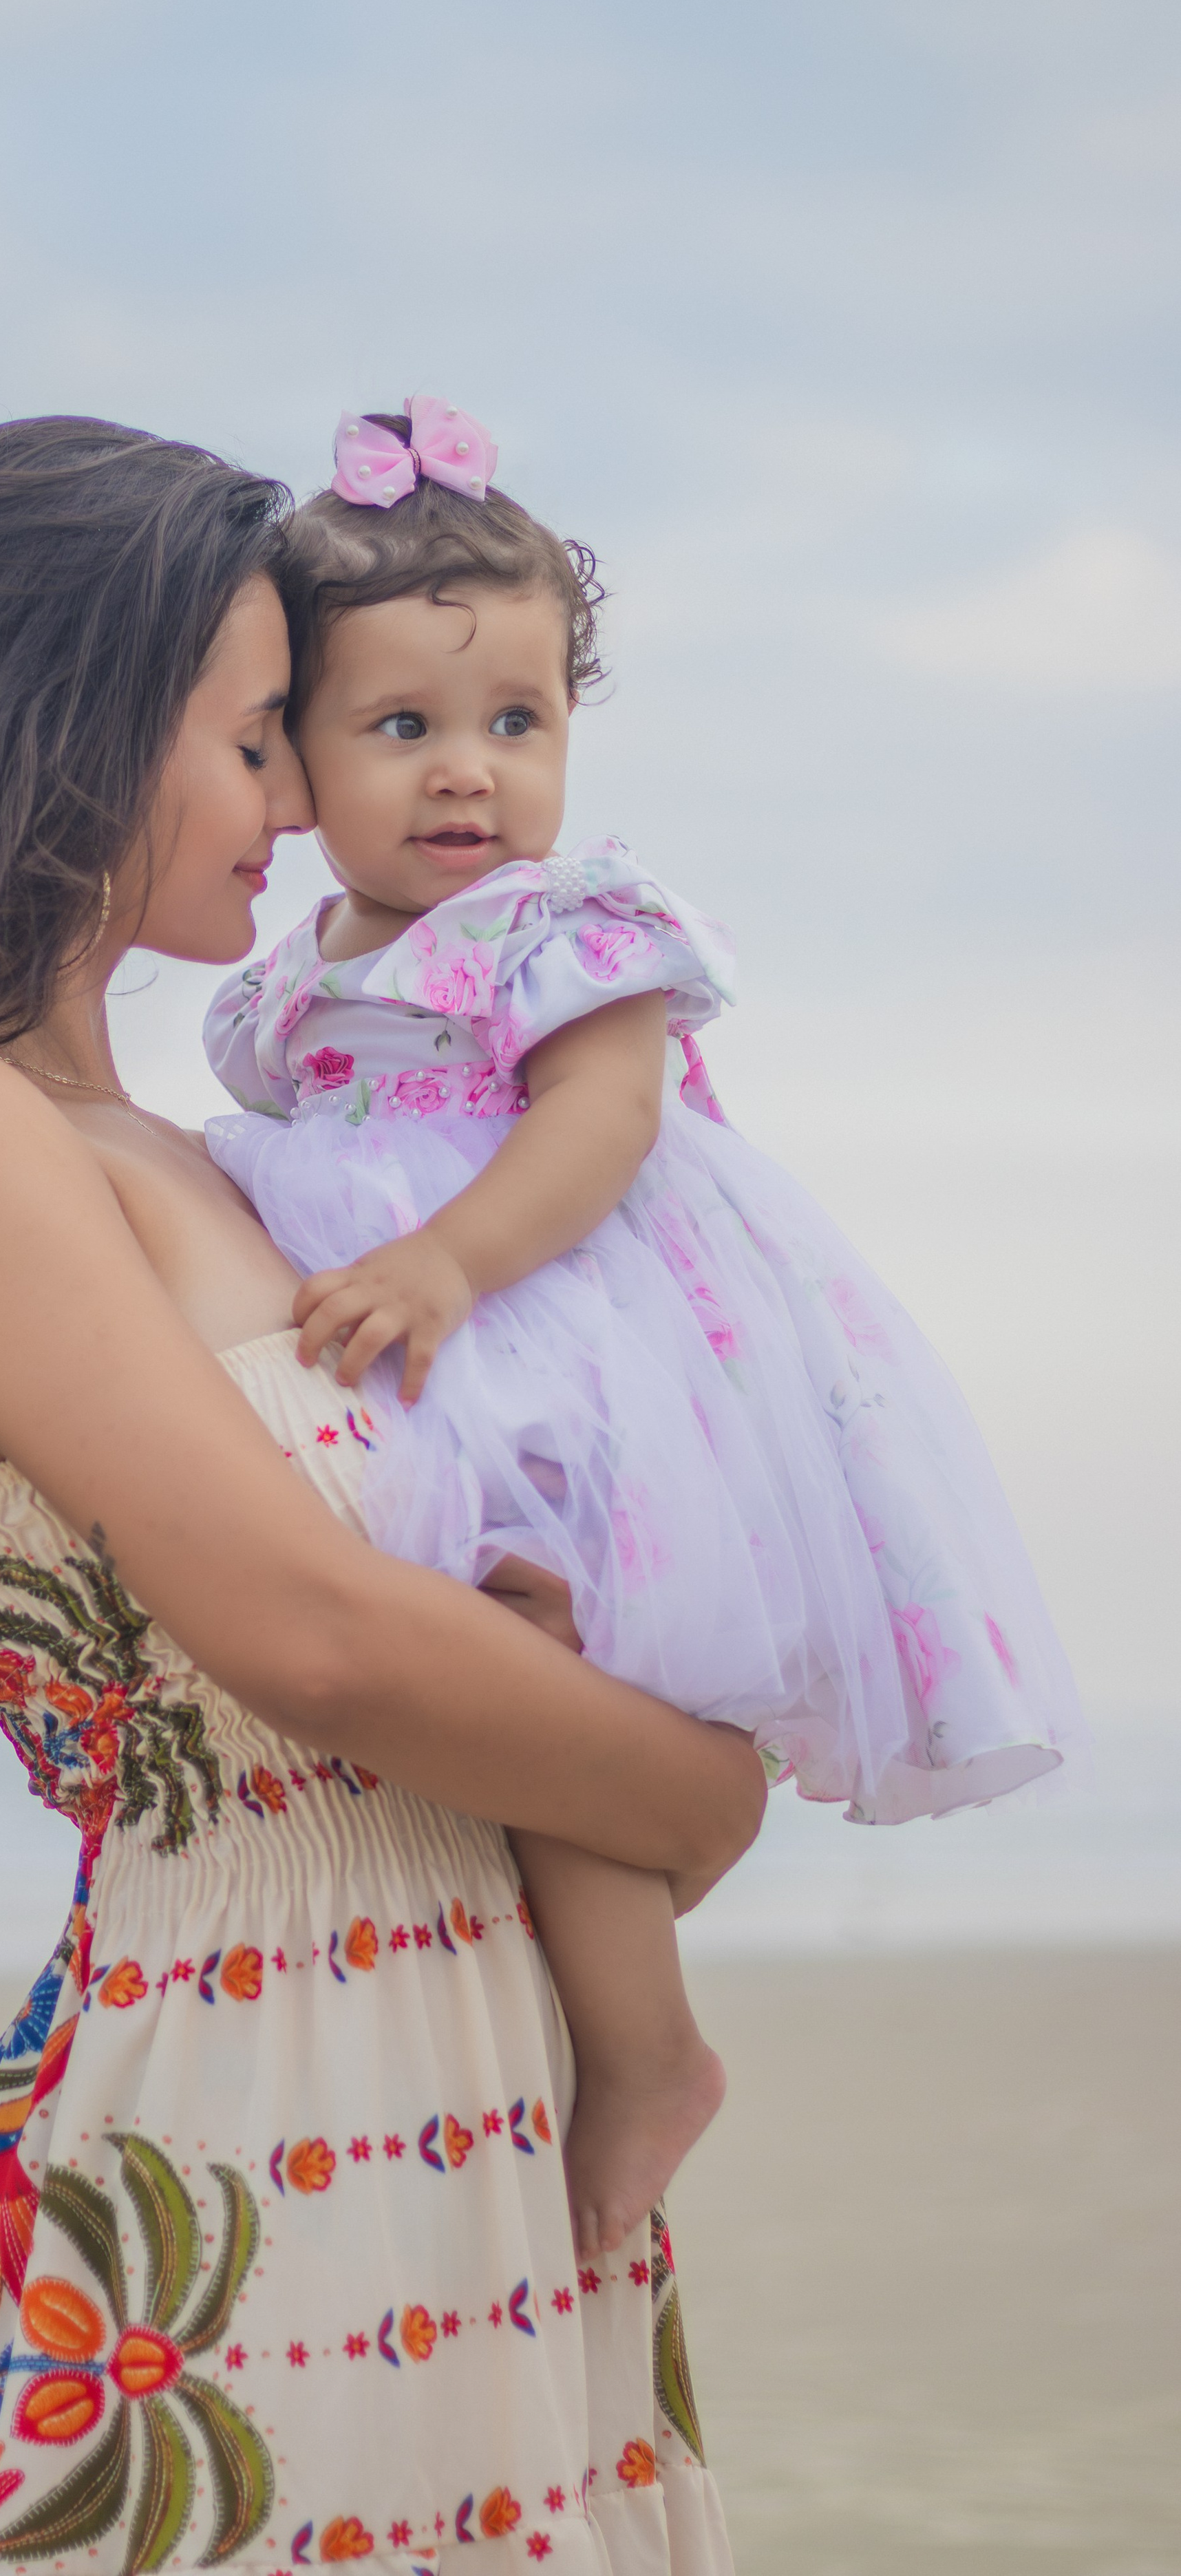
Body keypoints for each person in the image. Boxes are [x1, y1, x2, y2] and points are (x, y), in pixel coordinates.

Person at [0, 416, 767, 2576]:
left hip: (469, 2113)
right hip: (249, 2110)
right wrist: (698, 1802)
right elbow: (302, 1632)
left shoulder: (212, 1158)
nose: (303, 805)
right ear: (72, 743)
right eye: (249, 741)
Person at [204, 395, 1087, 2260]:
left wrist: (447, 1260)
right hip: (437, 1348)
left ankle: (647, 2051)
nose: (472, 773)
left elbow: (602, 1128)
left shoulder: (566, 928)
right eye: (405, 727)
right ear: (286, 762)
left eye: (518, 723)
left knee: (570, 1657)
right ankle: (523, 2004)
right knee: (480, 1678)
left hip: (578, 1336)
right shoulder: (289, 995)